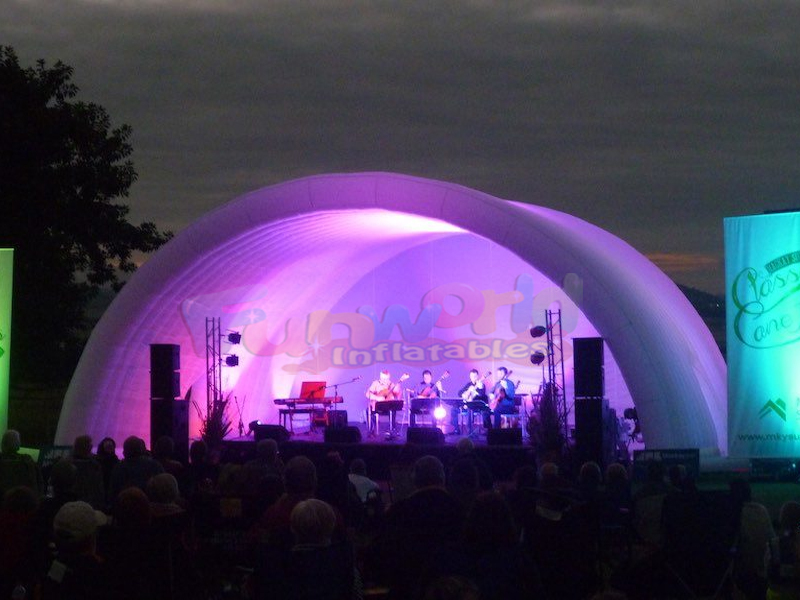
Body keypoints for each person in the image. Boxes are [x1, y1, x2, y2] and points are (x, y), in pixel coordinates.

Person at [366, 370, 406, 437]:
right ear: (380, 377)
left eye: (387, 379)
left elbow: (397, 394)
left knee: (393, 408)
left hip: (388, 406)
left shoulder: (392, 384)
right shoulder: (375, 383)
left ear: (389, 377)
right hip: (377, 406)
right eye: (383, 378)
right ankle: (371, 430)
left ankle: (392, 429)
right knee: (368, 410)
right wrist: (377, 398)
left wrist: (398, 385)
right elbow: (368, 394)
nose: (385, 380)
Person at [456, 369, 489, 435]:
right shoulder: (469, 384)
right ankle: (457, 429)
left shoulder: (481, 385)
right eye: (471, 376)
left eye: (474, 376)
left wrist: (476, 390)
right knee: (454, 409)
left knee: (472, 408)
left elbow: (482, 394)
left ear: (477, 376)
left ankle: (484, 430)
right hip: (469, 404)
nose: (473, 378)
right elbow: (459, 393)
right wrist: (464, 394)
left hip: (478, 405)